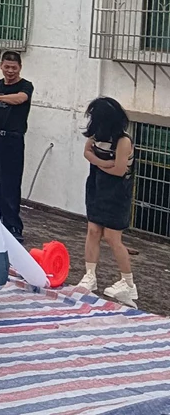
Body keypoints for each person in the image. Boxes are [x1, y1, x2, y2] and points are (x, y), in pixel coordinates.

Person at [75, 97, 137, 304]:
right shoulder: (96, 135)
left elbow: (119, 170)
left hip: (117, 192)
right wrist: (104, 162)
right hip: (96, 186)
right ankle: (90, 275)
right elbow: (87, 153)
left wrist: (99, 162)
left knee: (112, 236)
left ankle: (128, 284)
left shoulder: (123, 141)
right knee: (93, 231)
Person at [0, 50, 34, 242]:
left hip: (13, 140)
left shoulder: (25, 86)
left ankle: (12, 226)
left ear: (20, 68)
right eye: (6, 67)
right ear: (1, 66)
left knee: (10, 184)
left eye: (14, 67)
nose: (10, 71)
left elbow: (20, 98)